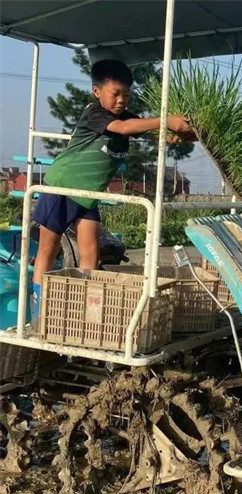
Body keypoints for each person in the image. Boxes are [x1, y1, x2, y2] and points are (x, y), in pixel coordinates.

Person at [30, 59, 194, 320]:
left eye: (126, 95)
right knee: (48, 251)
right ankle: (39, 314)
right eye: (115, 94)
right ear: (97, 91)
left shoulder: (127, 117)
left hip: (88, 197)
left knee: (91, 255)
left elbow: (150, 130)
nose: (121, 100)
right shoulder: (94, 113)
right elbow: (123, 128)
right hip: (61, 187)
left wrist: (185, 132)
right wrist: (165, 120)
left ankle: (84, 314)